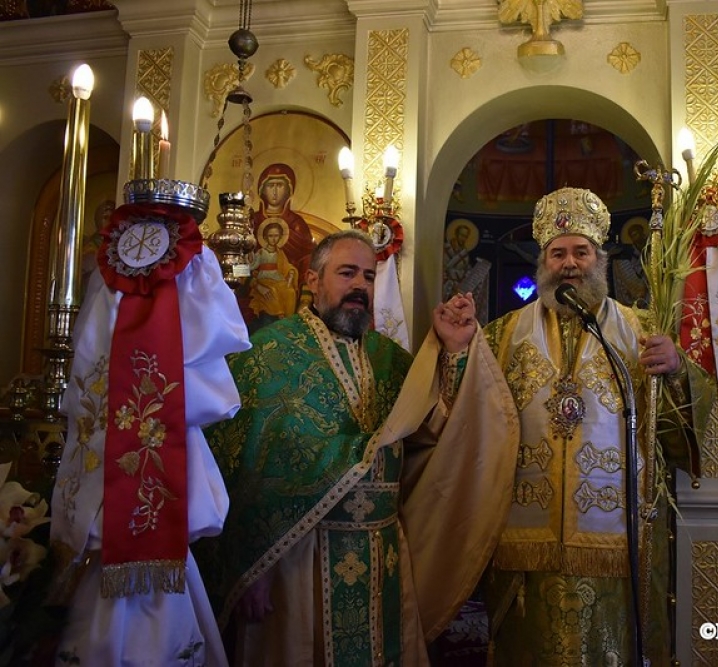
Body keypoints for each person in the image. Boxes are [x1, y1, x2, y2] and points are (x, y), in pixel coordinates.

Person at [199, 229, 518, 666]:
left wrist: (451, 351)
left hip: (381, 554)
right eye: (347, 273)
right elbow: (239, 469)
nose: (360, 287)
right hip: (296, 558)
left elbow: (433, 432)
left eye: (368, 277)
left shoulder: (389, 358)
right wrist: (250, 568)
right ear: (312, 280)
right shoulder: (267, 354)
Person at [481, 187, 713, 666]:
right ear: (543, 262)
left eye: (581, 252)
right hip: (525, 549)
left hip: (617, 546)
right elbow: (465, 422)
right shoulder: (500, 337)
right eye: (558, 252)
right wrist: (453, 351)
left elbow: (674, 431)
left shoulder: (643, 331)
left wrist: (678, 371)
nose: (570, 263)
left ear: (599, 259)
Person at [50, 202, 251, 666]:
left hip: (163, 537)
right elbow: (92, 379)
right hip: (104, 531)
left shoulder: (193, 270)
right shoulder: (108, 285)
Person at [248, 220, 299, 318]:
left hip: (278, 278)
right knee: (272, 291)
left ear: (280, 237)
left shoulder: (280, 253)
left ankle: (289, 318)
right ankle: (280, 316)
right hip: (265, 279)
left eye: (276, 236)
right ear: (265, 237)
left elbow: (286, 265)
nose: (274, 239)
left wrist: (291, 271)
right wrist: (246, 260)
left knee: (291, 292)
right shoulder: (261, 252)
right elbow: (252, 266)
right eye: (271, 236)